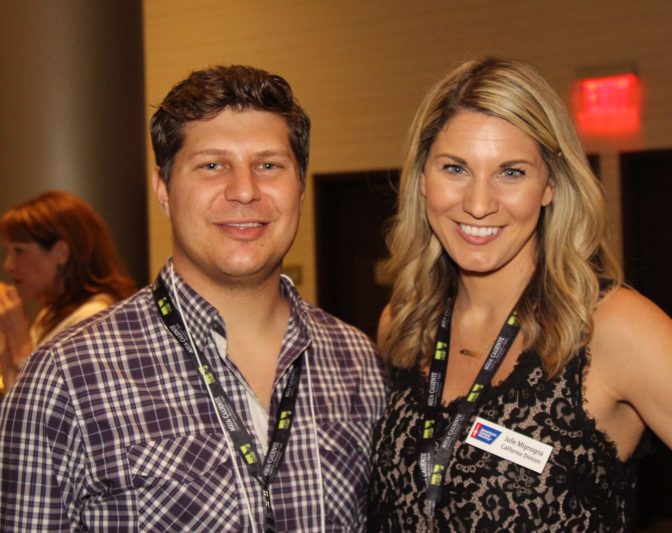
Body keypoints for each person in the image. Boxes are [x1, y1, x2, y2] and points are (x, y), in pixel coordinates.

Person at [368, 57, 672, 531]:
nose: (478, 203)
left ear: (550, 185)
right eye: (455, 168)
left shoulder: (613, 329)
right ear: (423, 179)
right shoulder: (407, 322)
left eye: (511, 172)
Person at [0, 65, 387, 532]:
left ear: (300, 187)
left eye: (269, 165)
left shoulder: (359, 363)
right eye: (212, 165)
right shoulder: (67, 377)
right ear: (163, 188)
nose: (245, 190)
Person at [0, 190, 136, 391]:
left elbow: (45, 407)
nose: (8, 265)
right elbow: (12, 396)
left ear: (60, 252)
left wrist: (20, 341)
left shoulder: (95, 318)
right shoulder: (52, 312)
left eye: (19, 251)